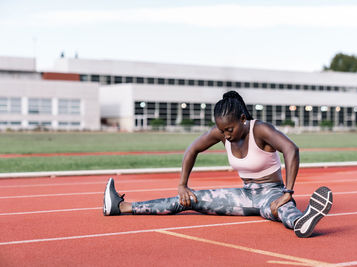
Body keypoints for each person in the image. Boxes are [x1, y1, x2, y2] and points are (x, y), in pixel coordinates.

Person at [103, 91, 333, 238]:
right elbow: (192, 149)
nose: (226, 135)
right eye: (221, 130)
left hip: (271, 193)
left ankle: (300, 221)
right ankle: (121, 207)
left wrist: (288, 192)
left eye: (229, 129)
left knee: (280, 208)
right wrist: (183, 184)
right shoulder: (223, 133)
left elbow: (291, 149)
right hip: (244, 196)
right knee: (188, 200)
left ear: (243, 119)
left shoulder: (260, 129)